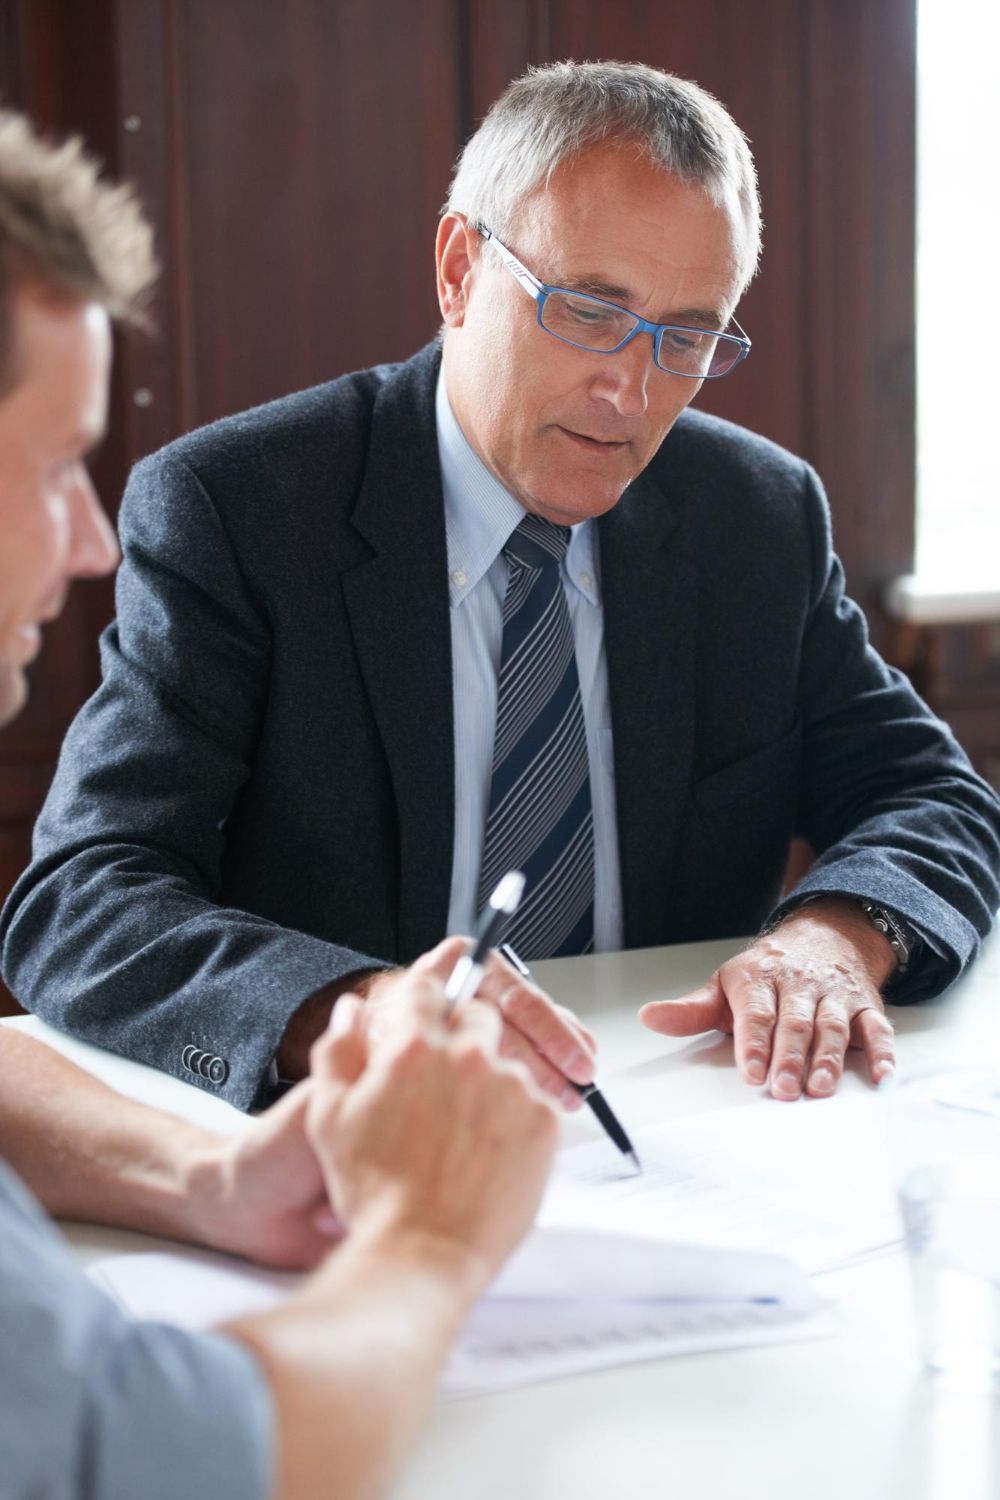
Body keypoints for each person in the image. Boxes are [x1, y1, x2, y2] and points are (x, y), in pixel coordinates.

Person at [3, 62, 999, 1112]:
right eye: (587, 310)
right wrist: (356, 1011)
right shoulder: (240, 510)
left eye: (689, 336)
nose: (631, 387)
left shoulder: (752, 516)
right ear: (458, 270)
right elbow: (84, 897)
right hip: (346, 1142)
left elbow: (931, 797)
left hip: (683, 1121)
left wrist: (830, 938)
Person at [0, 106, 560, 1500]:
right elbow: (187, 1458)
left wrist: (205, 1178)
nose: (88, 539)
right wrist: (430, 1242)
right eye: (58, 460)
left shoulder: (759, 517)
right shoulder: (239, 504)